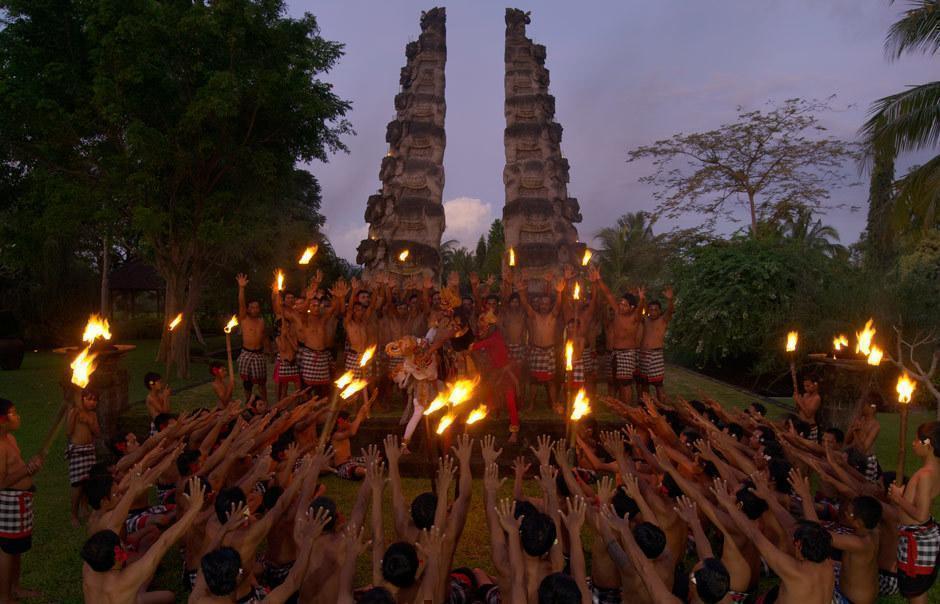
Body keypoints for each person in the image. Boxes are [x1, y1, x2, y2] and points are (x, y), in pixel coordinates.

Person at [81, 476, 205, 604]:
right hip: (123, 595)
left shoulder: (89, 567)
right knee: (168, 596)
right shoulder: (127, 579)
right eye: (121, 544)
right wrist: (194, 509)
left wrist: (132, 492)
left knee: (167, 596)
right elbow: (164, 542)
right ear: (118, 556)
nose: (124, 545)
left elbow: (114, 524)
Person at [888, 421, 940, 603]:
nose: (913, 443)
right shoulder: (934, 469)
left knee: (916, 593)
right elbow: (921, 501)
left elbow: (921, 515)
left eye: (917, 440)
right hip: (917, 537)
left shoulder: (925, 475)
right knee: (917, 592)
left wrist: (898, 498)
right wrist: (906, 495)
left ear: (928, 444)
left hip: (918, 543)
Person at [0, 399, 42, 604]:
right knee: (8, 550)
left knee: (16, 549)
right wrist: (26, 470)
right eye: (13, 413)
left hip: (21, 501)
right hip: (8, 503)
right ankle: (4, 597)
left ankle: (15, 588)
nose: (18, 416)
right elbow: (1, 483)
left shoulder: (10, 439)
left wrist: (30, 467)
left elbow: (16, 470)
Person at [593, 266, 644, 405]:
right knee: (616, 380)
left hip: (627, 353)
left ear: (631, 307)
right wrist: (599, 279)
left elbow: (640, 311)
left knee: (625, 383)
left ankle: (627, 408)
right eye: (620, 304)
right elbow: (609, 295)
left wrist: (642, 299)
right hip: (615, 352)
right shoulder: (617, 312)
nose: (621, 307)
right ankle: (619, 405)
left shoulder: (634, 317)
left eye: (624, 305)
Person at [518, 272, 566, 414]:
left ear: (549, 305)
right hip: (536, 350)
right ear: (539, 305)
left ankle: (554, 403)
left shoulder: (553, 315)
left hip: (549, 351)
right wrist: (521, 291)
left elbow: (558, 305)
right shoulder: (534, 315)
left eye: (546, 303)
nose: (544, 305)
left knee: (550, 381)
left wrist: (559, 292)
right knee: (534, 380)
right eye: (542, 303)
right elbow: (526, 305)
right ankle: (531, 405)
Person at [470, 311, 522, 442]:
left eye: (484, 326)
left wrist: (466, 345)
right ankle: (489, 417)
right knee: (488, 397)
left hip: (505, 374)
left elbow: (476, 346)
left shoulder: (495, 338)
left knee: (510, 401)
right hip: (493, 374)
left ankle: (514, 432)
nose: (481, 330)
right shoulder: (491, 336)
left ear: (490, 327)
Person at [67, 388, 100, 526]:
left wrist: (89, 422)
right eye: (89, 399)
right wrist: (75, 416)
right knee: (77, 484)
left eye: (95, 400)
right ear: (82, 399)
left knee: (88, 482)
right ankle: (73, 514)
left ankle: (84, 508)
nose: (92, 402)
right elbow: (68, 432)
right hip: (77, 452)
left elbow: (97, 432)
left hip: (89, 451)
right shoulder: (74, 412)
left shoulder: (93, 415)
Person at [235, 273, 269, 402]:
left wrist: (269, 351)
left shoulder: (261, 321)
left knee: (261, 382)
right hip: (246, 353)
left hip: (259, 354)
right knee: (247, 383)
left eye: (257, 307)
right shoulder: (244, 318)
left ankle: (265, 404)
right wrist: (241, 288)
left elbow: (264, 337)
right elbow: (241, 303)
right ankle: (248, 404)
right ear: (248, 309)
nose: (255, 309)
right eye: (252, 307)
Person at [637, 287, 674, 402]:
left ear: (659, 311)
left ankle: (663, 408)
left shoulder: (663, 320)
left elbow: (670, 310)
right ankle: (646, 407)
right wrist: (642, 300)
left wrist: (670, 300)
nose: (653, 312)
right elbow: (638, 312)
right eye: (651, 309)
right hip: (643, 355)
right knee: (644, 384)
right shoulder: (645, 320)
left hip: (656, 355)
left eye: (655, 310)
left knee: (658, 384)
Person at [845, 397, 882, 482]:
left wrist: (856, 432)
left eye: (863, 406)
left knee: (863, 488)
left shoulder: (875, 425)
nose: (860, 408)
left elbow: (864, 449)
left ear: (872, 408)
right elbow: (847, 441)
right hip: (853, 457)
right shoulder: (859, 420)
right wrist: (852, 428)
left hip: (866, 461)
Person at [792, 374, 822, 442]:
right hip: (801, 426)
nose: (806, 388)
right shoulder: (805, 395)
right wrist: (796, 401)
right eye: (804, 386)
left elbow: (808, 414)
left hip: (810, 427)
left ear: (815, 385)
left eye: (808, 386)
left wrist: (799, 401)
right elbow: (798, 409)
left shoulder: (817, 398)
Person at [144, 372, 171, 437]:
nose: (161, 384)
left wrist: (166, 398)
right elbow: (163, 412)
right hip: (158, 423)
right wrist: (165, 397)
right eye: (159, 382)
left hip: (164, 420)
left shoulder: (160, 395)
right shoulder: (150, 398)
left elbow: (167, 411)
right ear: (151, 385)